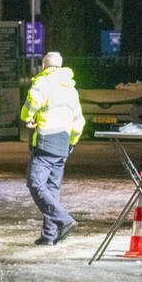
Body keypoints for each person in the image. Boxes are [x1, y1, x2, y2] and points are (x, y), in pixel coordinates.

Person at [22, 52, 85, 245]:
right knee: (52, 188)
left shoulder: (44, 82)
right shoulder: (71, 89)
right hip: (63, 143)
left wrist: (27, 117)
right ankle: (49, 235)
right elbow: (79, 120)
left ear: (43, 65)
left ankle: (64, 220)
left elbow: (33, 99)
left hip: (46, 140)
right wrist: (72, 142)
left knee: (35, 183)